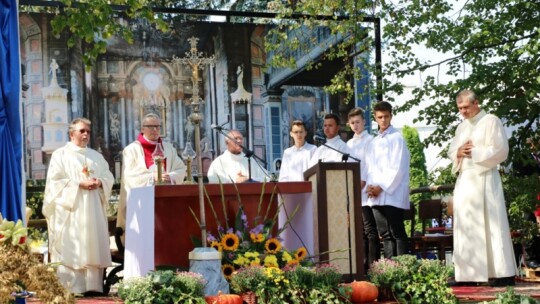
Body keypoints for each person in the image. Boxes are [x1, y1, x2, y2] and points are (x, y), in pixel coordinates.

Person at [448, 89, 516, 286]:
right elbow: (453, 151)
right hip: (466, 179)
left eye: (466, 107)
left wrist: (475, 153)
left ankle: (502, 273)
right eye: (460, 108)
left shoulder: (491, 121)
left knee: (492, 224)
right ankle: (468, 274)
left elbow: (501, 150)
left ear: (476, 103)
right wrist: (459, 152)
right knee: (467, 226)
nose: (463, 112)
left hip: (484, 176)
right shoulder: (461, 127)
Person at [43, 118, 115, 295]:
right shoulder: (60, 155)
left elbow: (109, 176)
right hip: (71, 211)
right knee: (73, 244)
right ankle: (71, 287)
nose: (85, 134)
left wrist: (100, 181)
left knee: (92, 243)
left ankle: (93, 286)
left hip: (93, 209)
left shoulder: (96, 156)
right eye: (82, 131)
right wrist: (78, 184)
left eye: (88, 132)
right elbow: (54, 182)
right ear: (71, 133)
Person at [116, 113, 186, 232]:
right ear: (142, 129)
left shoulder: (169, 148)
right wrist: (153, 177)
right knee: (144, 233)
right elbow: (129, 176)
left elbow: (181, 169)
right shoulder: (131, 149)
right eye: (151, 126)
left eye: (158, 126)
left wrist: (170, 177)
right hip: (141, 202)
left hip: (166, 199)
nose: (155, 129)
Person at [364, 101, 410, 259]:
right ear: (375, 118)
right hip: (376, 195)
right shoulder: (374, 142)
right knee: (384, 234)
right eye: (380, 117)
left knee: (397, 232)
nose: (383, 120)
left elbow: (398, 168)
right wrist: (370, 187)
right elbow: (370, 167)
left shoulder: (397, 138)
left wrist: (381, 186)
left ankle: (403, 269)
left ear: (391, 116)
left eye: (386, 116)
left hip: (392, 193)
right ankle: (389, 270)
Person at [346, 108, 379, 269]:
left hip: (365, 188)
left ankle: (373, 264)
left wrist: (364, 180)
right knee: (359, 230)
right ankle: (361, 264)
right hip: (353, 188)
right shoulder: (349, 144)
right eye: (352, 123)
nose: (355, 125)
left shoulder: (371, 140)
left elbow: (370, 163)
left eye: (358, 122)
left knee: (370, 229)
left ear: (364, 122)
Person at [278, 120, 317, 253]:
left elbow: (314, 172)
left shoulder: (312, 150)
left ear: (305, 133)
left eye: (301, 132)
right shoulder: (288, 152)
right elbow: (283, 175)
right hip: (290, 195)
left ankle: (308, 254)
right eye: (296, 132)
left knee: (307, 226)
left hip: (307, 194)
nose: (298, 135)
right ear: (291, 134)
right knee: (291, 226)